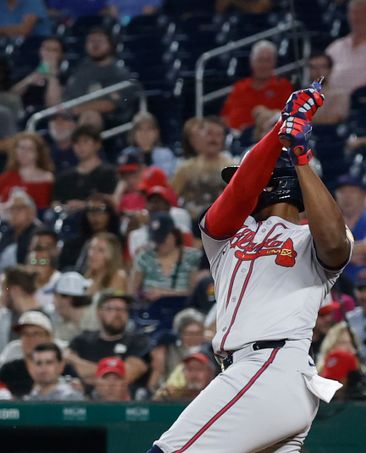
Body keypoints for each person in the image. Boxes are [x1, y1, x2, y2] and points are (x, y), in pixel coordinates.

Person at [148, 85, 353, 452]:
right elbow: (240, 191)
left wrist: (300, 157)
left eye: (252, 174)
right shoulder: (225, 237)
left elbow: (335, 244)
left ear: (277, 183)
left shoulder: (309, 236)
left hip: (272, 365)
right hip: (254, 375)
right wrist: (281, 129)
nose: (238, 183)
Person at [66, 290, 149, 387]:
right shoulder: (82, 340)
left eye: (123, 309)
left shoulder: (138, 341)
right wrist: (112, 372)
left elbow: (124, 378)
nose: (118, 314)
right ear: (98, 312)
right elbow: (63, 363)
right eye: (111, 309)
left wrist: (77, 363)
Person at [59, 27, 139, 120]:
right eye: (91, 40)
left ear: (110, 44)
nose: (95, 44)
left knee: (91, 116)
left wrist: (75, 110)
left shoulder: (119, 72)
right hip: (74, 119)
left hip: (109, 122)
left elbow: (110, 104)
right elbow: (67, 96)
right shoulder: (80, 68)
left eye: (100, 40)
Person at [170, 116, 235, 222]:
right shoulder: (186, 168)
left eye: (218, 135)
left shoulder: (231, 167)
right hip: (192, 223)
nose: (213, 139)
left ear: (223, 138)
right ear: (200, 136)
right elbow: (171, 196)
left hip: (222, 222)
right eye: (209, 133)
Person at [221, 40, 294, 131]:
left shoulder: (283, 86)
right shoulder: (239, 87)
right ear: (251, 62)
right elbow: (225, 117)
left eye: (267, 60)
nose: (263, 65)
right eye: (260, 60)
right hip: (237, 137)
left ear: (274, 62)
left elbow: (289, 116)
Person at [130, 212, 203, 301]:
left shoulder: (192, 257)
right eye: (156, 240)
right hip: (149, 308)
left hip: (182, 308)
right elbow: (132, 291)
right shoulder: (144, 256)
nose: (160, 244)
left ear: (174, 234)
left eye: (163, 239)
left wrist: (165, 294)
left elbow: (195, 293)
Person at [51, 125, 117, 212]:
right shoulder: (64, 177)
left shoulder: (110, 173)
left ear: (97, 144)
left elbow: (112, 202)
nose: (80, 146)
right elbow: (55, 202)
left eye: (85, 141)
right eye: (76, 142)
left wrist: (85, 205)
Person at [0, 134, 55, 214]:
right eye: (21, 148)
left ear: (38, 153)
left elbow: (52, 205)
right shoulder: (4, 177)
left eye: (30, 149)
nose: (24, 153)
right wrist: (7, 207)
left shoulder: (48, 178)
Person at [149, 309, 207, 392]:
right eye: (190, 333)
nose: (194, 337)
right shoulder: (170, 349)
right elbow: (157, 376)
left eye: (198, 333)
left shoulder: (209, 350)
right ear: (180, 333)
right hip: (172, 392)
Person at [0, 190, 40, 276]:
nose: (13, 213)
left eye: (18, 208)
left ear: (31, 212)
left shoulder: (39, 235)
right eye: (11, 209)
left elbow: (41, 262)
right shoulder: (6, 235)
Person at [50, 271, 98, 343]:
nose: (53, 302)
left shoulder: (97, 318)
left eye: (56, 297)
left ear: (68, 299)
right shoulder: (61, 324)